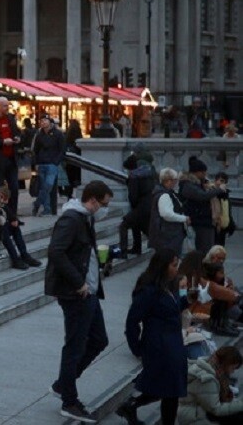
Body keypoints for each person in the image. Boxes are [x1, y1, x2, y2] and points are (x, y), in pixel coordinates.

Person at [46, 180, 114, 423]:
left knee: (99, 340)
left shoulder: (86, 217)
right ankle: (69, 401)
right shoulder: (72, 219)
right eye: (104, 204)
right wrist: (78, 282)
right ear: (93, 200)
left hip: (89, 291)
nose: (105, 209)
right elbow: (55, 251)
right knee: (74, 346)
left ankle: (63, 384)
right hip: (77, 293)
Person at [117, 248, 187, 425]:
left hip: (173, 344)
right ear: (162, 266)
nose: (176, 269)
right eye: (173, 265)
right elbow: (132, 322)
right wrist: (137, 348)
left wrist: (189, 300)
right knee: (170, 391)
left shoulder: (167, 286)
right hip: (161, 347)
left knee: (167, 388)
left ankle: (131, 406)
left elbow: (170, 310)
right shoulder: (148, 291)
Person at [178, 346, 243, 424]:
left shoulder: (213, 367)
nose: (233, 372)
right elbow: (216, 410)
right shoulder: (207, 380)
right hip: (194, 415)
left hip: (203, 409)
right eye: (233, 368)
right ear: (225, 364)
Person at [180, 156, 225, 255]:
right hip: (199, 221)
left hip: (204, 220)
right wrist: (218, 189)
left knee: (207, 249)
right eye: (203, 172)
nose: (205, 175)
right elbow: (202, 196)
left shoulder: (199, 183)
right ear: (196, 172)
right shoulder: (189, 185)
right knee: (203, 250)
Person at [119, 152, 158, 258]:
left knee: (124, 225)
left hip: (141, 206)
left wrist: (135, 206)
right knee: (140, 226)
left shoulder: (134, 176)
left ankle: (123, 251)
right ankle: (139, 248)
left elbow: (133, 196)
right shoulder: (148, 174)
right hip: (150, 205)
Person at [0, 97, 23, 216]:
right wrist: (2, 142)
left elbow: (17, 131)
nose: (7, 108)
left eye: (8, 105)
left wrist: (17, 137)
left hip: (11, 158)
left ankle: (13, 215)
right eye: (4, 106)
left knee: (14, 187)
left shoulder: (10, 118)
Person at [149, 167, 190, 255]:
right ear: (168, 181)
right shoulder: (164, 195)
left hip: (168, 234)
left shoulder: (166, 192)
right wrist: (184, 218)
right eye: (175, 180)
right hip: (168, 235)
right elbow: (167, 214)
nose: (176, 182)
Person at [31, 115, 66, 217]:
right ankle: (46, 208)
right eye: (41, 120)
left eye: (45, 120)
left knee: (48, 185)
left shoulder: (58, 134)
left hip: (52, 163)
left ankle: (37, 203)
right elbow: (36, 150)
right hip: (41, 163)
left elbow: (62, 149)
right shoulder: (39, 134)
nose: (43, 122)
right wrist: (36, 163)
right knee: (43, 187)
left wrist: (56, 161)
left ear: (50, 122)